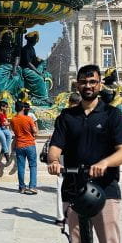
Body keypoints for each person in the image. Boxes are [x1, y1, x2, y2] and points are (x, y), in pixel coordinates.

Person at [47, 64, 122, 243]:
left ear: (99, 85)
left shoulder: (112, 115)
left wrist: (105, 163)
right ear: (77, 85)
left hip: (105, 190)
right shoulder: (67, 116)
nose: (88, 86)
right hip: (74, 190)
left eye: (92, 82)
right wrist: (53, 160)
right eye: (83, 82)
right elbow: (55, 146)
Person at [54, 92, 82, 226]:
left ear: (69, 102)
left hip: (63, 155)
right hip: (77, 156)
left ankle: (61, 217)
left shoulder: (61, 117)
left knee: (61, 184)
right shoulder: (83, 117)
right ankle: (75, 214)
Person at [10, 101, 39, 195]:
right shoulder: (28, 119)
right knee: (33, 166)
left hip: (19, 145)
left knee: (21, 167)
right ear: (23, 108)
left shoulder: (13, 120)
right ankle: (32, 186)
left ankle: (22, 187)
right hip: (30, 144)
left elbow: (14, 131)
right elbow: (35, 131)